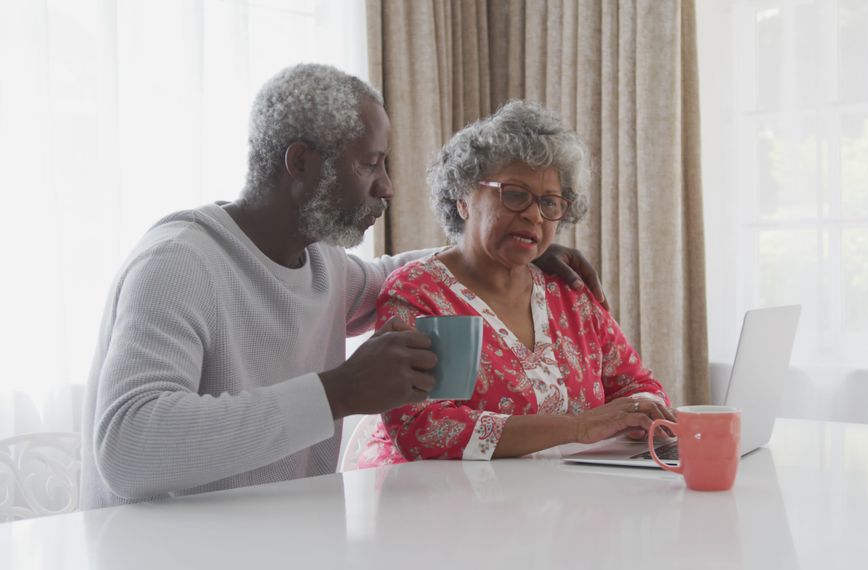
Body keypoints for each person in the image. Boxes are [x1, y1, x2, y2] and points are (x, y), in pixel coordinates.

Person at [81, 64, 606, 509]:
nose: (387, 187)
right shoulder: (178, 265)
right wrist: (339, 392)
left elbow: (394, 272)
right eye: (369, 163)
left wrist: (515, 245)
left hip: (284, 541)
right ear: (300, 162)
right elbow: (129, 446)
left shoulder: (320, 265)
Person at [356, 101, 674, 467]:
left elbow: (640, 387)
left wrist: (643, 415)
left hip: (568, 502)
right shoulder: (417, 294)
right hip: (444, 509)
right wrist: (579, 426)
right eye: (515, 194)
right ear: (463, 198)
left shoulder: (568, 291)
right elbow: (424, 429)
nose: (533, 214)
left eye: (549, 202)